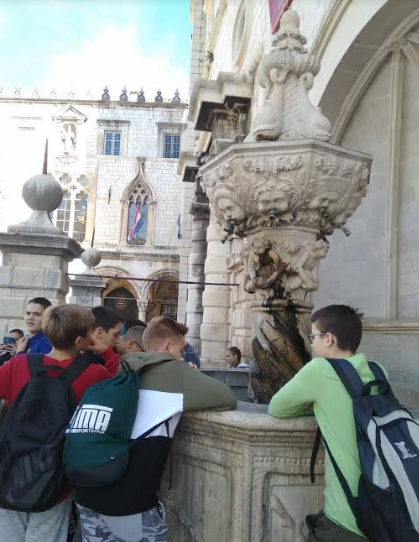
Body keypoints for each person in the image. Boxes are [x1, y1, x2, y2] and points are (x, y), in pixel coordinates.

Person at [73, 316, 237, 542]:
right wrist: (190, 372)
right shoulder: (175, 372)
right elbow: (227, 397)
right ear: (167, 347)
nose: (182, 356)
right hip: (127, 500)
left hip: (87, 490)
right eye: (181, 350)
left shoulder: (124, 367)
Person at [0, 304, 114, 542]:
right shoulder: (95, 374)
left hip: (11, 468)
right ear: (81, 341)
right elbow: (123, 385)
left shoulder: (17, 364)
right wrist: (107, 353)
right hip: (55, 478)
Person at [268, 304, 377, 542]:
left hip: (347, 517)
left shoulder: (320, 369)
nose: (311, 343)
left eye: (313, 336)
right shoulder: (377, 372)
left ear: (329, 339)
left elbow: (276, 407)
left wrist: (313, 405)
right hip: (385, 509)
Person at [77, 306, 123, 375]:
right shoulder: (87, 366)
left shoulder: (111, 354)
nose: (118, 341)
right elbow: (121, 379)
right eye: (115, 335)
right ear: (99, 333)